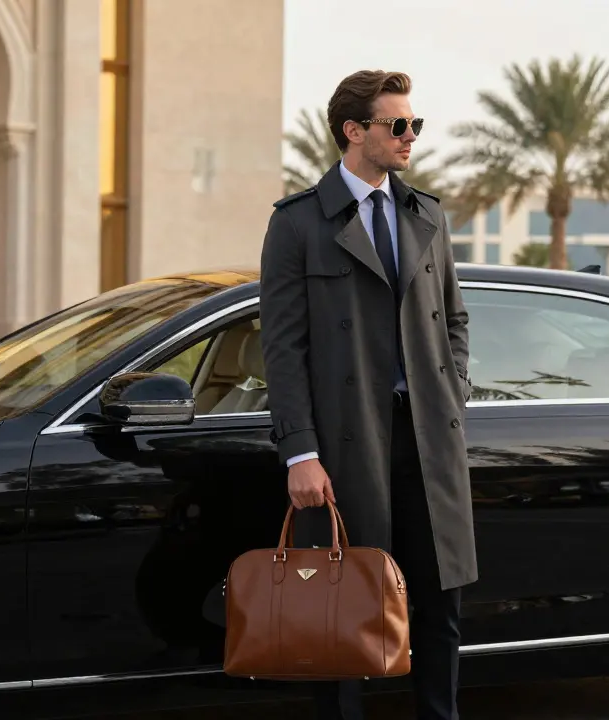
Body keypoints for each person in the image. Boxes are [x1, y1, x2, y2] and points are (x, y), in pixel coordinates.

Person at [257, 69, 477, 720]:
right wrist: (300, 452)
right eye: (398, 125)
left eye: (416, 125)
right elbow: (283, 349)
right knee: (341, 612)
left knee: (439, 612)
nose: (411, 136)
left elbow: (455, 320)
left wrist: (451, 393)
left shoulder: (427, 214)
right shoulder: (297, 225)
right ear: (355, 132)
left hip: (428, 444)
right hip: (346, 447)